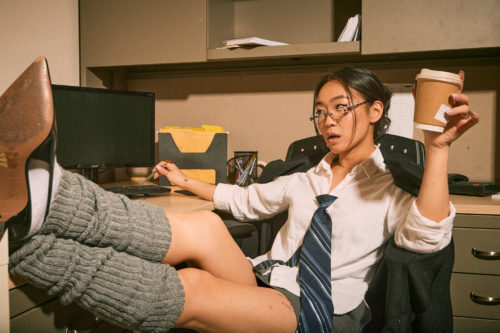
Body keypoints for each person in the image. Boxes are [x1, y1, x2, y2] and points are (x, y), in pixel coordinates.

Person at [1, 57, 478, 333]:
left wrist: (438, 149)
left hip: (322, 309)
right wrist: (187, 182)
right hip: (269, 280)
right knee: (207, 226)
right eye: (319, 112)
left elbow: (427, 238)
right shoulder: (306, 178)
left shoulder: (393, 188)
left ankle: (38, 214)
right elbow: (246, 200)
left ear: (375, 111)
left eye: (341, 108)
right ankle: (41, 211)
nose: (328, 120)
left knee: (193, 287)